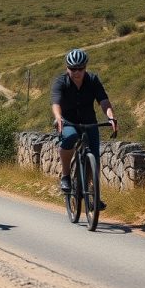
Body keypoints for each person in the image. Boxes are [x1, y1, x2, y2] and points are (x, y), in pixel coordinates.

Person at [51, 48, 117, 207]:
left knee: (94, 158)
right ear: (67, 68)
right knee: (70, 137)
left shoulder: (93, 80)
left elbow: (104, 101)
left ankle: (92, 195)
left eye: (80, 68)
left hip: (89, 123)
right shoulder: (61, 82)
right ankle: (66, 177)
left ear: (85, 67)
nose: (76, 72)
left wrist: (111, 117)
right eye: (72, 68)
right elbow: (56, 103)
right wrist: (58, 117)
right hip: (68, 122)